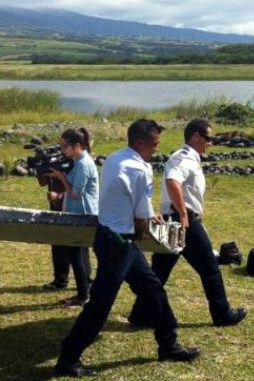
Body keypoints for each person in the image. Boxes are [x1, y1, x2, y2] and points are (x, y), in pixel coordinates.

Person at [54, 119, 201, 378]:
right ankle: (68, 358)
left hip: (109, 236)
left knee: (153, 288)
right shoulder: (139, 169)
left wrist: (143, 214)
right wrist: (148, 228)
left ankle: (168, 344)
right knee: (100, 303)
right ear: (140, 143)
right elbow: (141, 221)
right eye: (154, 144)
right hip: (119, 243)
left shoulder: (115, 157)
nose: (157, 148)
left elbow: (129, 202)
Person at [128, 118, 247, 329]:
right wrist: (183, 213)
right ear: (196, 137)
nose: (210, 143)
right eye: (208, 138)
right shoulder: (184, 158)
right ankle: (222, 314)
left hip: (177, 218)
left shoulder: (188, 158)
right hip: (184, 221)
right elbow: (172, 181)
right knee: (210, 268)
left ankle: (140, 314)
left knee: (159, 271)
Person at [44, 127, 97, 307]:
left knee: (76, 255)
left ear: (77, 146)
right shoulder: (77, 161)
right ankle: (83, 293)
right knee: (75, 254)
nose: (62, 150)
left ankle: (83, 295)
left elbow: (76, 193)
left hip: (82, 213)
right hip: (75, 212)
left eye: (65, 146)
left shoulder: (83, 164)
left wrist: (60, 177)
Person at [37, 173, 72, 291]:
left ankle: (86, 281)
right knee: (57, 244)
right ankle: (60, 280)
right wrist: (41, 171)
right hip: (55, 207)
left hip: (69, 207)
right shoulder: (51, 164)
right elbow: (42, 183)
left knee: (77, 248)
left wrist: (59, 196)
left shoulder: (69, 163)